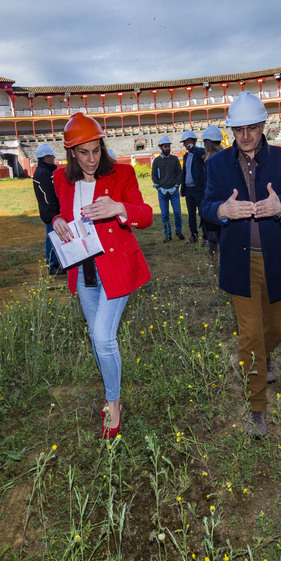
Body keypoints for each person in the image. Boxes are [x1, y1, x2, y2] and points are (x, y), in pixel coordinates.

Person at [200, 92, 281, 437]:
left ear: (264, 125)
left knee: (273, 329)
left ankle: (267, 357)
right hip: (240, 261)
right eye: (239, 129)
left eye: (252, 127)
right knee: (249, 336)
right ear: (230, 130)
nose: (246, 135)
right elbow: (206, 207)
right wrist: (222, 211)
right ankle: (257, 407)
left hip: (279, 258)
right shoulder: (216, 165)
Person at [52, 113, 153, 438]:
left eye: (96, 151)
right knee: (98, 338)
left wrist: (119, 208)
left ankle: (113, 403)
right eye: (84, 153)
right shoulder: (60, 178)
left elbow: (146, 215)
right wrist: (56, 220)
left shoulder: (121, 173)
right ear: (72, 153)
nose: (92, 159)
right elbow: (60, 212)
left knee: (104, 338)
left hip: (117, 269)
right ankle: (112, 392)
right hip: (83, 272)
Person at [32, 143, 62, 275]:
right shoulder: (44, 173)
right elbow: (50, 195)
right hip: (51, 211)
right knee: (52, 238)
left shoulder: (42, 171)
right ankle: (52, 265)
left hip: (48, 210)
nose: (53, 158)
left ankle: (55, 263)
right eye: (51, 156)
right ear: (45, 158)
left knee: (53, 237)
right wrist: (57, 210)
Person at [151, 134, 184, 243]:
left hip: (174, 191)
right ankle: (167, 234)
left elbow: (179, 173)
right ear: (160, 147)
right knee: (164, 214)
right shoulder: (156, 161)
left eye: (168, 146)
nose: (167, 148)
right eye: (165, 146)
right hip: (162, 192)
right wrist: (159, 188)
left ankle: (178, 231)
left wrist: (176, 186)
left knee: (177, 212)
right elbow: (154, 176)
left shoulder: (174, 159)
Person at [200, 125, 225, 256]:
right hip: (225, 203)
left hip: (213, 204)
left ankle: (214, 262)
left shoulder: (211, 162)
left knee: (213, 238)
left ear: (207, 144)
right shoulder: (227, 158)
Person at [179, 130, 206, 244]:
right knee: (191, 214)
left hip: (198, 188)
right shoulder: (185, 157)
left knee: (202, 213)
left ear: (190, 141)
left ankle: (206, 237)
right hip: (189, 189)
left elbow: (204, 154)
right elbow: (184, 172)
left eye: (185, 143)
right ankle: (194, 235)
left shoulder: (199, 153)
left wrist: (193, 148)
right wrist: (183, 188)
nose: (184, 145)